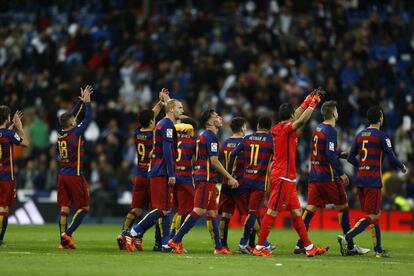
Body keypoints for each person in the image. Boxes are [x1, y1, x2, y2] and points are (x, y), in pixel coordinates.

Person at [253, 90, 328, 257]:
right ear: (291, 115)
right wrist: (314, 103)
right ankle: (259, 248)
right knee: (272, 211)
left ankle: (308, 248)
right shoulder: (286, 128)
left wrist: (308, 98)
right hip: (282, 177)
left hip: (288, 178)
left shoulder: (280, 127)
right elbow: (301, 120)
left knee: (296, 213)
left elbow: (298, 114)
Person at [293, 101, 369, 255]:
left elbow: (322, 152)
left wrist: (339, 154)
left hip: (314, 175)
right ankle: (350, 246)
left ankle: (301, 244)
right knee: (343, 207)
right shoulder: (331, 131)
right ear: (334, 114)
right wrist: (340, 172)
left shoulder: (318, 128)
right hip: (328, 177)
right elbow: (328, 154)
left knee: (310, 208)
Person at [338, 106, 408, 258]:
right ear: (380, 118)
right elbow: (391, 155)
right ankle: (347, 237)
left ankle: (378, 249)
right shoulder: (382, 136)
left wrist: (361, 166)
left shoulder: (360, 135)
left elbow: (350, 157)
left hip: (361, 180)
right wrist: (402, 167)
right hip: (373, 180)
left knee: (373, 214)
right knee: (374, 216)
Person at [168, 109, 239, 254]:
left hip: (206, 178)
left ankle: (219, 247)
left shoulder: (201, 136)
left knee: (212, 213)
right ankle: (175, 240)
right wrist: (230, 177)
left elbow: (199, 159)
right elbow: (214, 161)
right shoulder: (211, 137)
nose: (220, 118)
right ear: (210, 121)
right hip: (205, 179)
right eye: (216, 116)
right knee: (199, 210)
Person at [123, 97, 184, 253]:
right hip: (162, 172)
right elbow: (167, 152)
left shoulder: (160, 124)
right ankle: (133, 231)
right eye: (179, 108)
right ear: (171, 109)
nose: (182, 111)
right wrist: (172, 173)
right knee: (162, 209)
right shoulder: (167, 125)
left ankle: (164, 244)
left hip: (155, 171)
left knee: (166, 210)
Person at [117, 88, 170, 251]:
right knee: (158, 210)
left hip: (138, 174)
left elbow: (148, 117)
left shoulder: (138, 132)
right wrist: (166, 103)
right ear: (153, 122)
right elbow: (159, 120)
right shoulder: (155, 134)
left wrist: (159, 104)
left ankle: (123, 233)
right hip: (153, 175)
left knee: (136, 209)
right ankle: (148, 238)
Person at [227, 116, 274, 254]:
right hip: (260, 182)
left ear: (258, 125)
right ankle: (243, 243)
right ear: (270, 127)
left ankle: (263, 243)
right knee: (253, 213)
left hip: (246, 181)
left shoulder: (246, 138)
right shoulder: (271, 140)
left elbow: (233, 154)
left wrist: (229, 174)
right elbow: (277, 159)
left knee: (253, 213)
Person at [57, 85, 93, 249]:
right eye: (73, 119)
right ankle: (68, 234)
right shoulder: (75, 132)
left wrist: (80, 103)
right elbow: (88, 119)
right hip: (75, 174)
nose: (75, 119)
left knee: (65, 208)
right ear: (71, 123)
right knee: (84, 207)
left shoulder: (61, 133)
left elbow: (70, 116)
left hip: (62, 174)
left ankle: (62, 241)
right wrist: (88, 103)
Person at [217, 117, 248, 252]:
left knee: (225, 214)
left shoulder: (225, 143)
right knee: (249, 214)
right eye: (245, 126)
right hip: (240, 183)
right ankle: (252, 243)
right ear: (242, 128)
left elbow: (220, 162)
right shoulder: (246, 143)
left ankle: (222, 245)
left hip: (226, 182)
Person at [0, 107, 29, 246]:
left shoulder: (6, 133)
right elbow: (25, 142)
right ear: (6, 118)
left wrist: (11, 127)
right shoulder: (8, 134)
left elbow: (3, 136)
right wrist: (20, 127)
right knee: (3, 208)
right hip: (6, 176)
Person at [168, 116, 197, 243]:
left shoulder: (172, 139)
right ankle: (174, 239)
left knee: (178, 209)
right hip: (185, 177)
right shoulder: (192, 141)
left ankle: (169, 237)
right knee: (186, 210)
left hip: (172, 176)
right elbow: (196, 161)